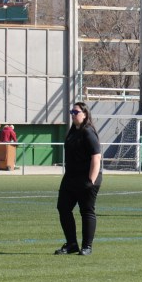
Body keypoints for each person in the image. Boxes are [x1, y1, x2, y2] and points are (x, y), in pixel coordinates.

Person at [55, 102, 102, 256]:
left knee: (86, 211)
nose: (73, 115)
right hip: (71, 177)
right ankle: (72, 244)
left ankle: (87, 246)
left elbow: (96, 157)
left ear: (85, 114)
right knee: (63, 208)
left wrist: (91, 181)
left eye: (76, 112)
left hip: (86, 178)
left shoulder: (88, 131)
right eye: (72, 112)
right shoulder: (72, 131)